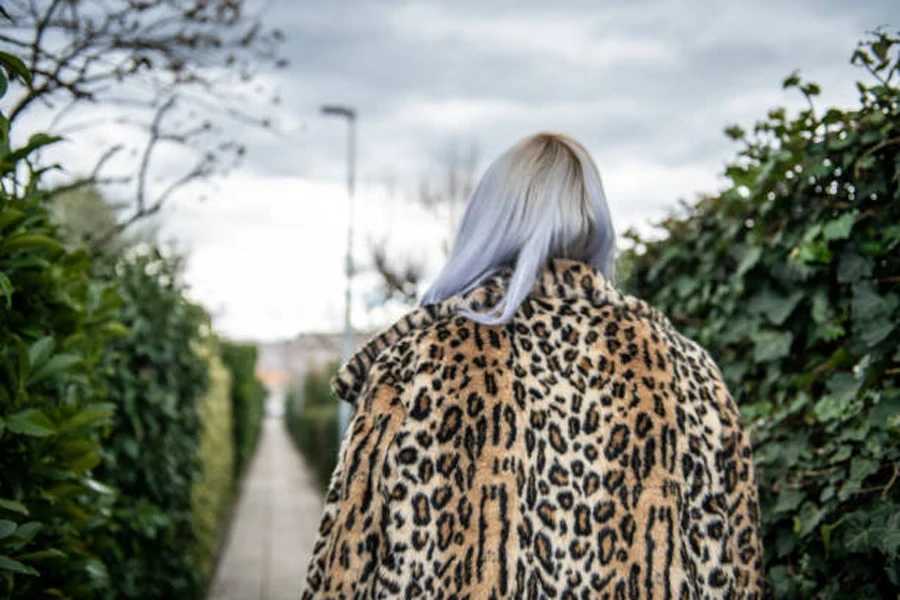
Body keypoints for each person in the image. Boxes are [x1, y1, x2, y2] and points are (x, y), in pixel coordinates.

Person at [302, 132, 764, 599]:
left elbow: (346, 564)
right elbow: (735, 563)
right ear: (596, 223)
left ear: (486, 226)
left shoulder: (418, 363)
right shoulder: (688, 372)